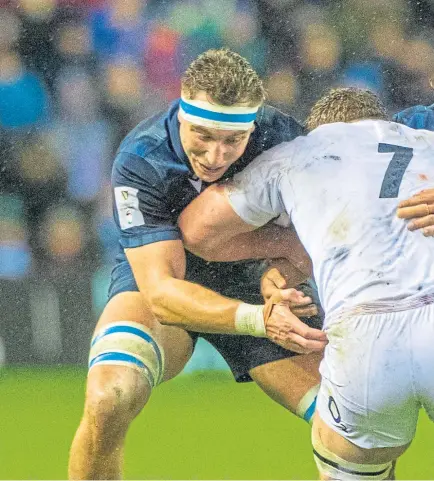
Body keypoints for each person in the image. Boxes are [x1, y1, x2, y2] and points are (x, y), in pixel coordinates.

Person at [68, 48, 328, 480]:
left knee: (351, 431)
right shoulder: (142, 158)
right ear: (182, 111)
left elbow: (311, 240)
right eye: (203, 135)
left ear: (253, 125)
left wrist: (279, 278)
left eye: (233, 140)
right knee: (109, 396)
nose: (215, 155)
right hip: (168, 278)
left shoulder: (290, 144)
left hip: (261, 286)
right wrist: (257, 319)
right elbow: (161, 293)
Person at [178, 88, 434, 480]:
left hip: (366, 343)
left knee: (351, 467)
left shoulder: (297, 154)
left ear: (318, 130)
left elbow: (197, 231)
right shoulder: (425, 140)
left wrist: (293, 245)